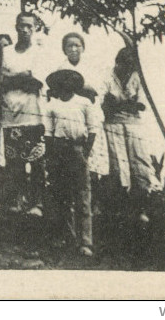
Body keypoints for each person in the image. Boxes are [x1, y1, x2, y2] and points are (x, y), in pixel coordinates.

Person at [44, 69, 102, 257]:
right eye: (62, 80)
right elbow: (48, 133)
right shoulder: (52, 105)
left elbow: (92, 129)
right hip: (59, 150)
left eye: (70, 80)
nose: (66, 83)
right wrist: (52, 157)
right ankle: (66, 237)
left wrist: (85, 152)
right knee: (61, 195)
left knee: (83, 196)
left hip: (78, 150)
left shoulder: (84, 103)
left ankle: (85, 242)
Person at [101, 47, 161, 223]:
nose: (126, 69)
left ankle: (142, 207)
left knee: (140, 163)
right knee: (118, 165)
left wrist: (118, 103)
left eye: (129, 66)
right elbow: (104, 103)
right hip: (112, 123)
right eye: (123, 65)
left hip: (134, 124)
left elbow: (140, 105)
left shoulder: (137, 77)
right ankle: (121, 209)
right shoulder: (108, 76)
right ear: (117, 62)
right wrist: (126, 103)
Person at [0, 12, 47, 217]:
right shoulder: (6, 52)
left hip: (32, 114)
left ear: (35, 28)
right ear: (16, 26)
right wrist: (22, 76)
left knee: (36, 160)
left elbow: (36, 81)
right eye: (21, 25)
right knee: (14, 163)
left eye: (29, 26)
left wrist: (13, 77)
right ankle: (17, 201)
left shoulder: (39, 52)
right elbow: (0, 80)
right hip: (9, 114)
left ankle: (36, 203)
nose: (25, 30)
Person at [55, 32, 110, 190]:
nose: (73, 49)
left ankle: (94, 199)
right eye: (69, 46)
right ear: (64, 49)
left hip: (90, 115)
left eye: (77, 45)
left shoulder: (91, 68)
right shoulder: (61, 69)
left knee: (92, 159)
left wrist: (80, 88)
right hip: (71, 117)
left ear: (83, 48)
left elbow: (96, 91)